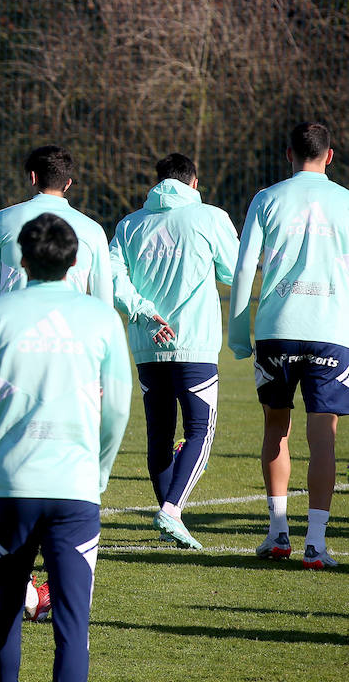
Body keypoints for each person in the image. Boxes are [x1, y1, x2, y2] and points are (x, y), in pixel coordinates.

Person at [0, 214, 131, 682]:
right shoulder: (101, 316)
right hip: (75, 489)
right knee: (72, 628)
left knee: (5, 620)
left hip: (7, 487)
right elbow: (118, 407)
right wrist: (97, 473)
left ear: (21, 258)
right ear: (76, 261)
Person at [229, 122, 349, 569]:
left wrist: (239, 336)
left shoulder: (266, 198)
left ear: (288, 154)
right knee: (324, 437)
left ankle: (278, 534)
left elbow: (245, 269)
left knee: (275, 427)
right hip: (331, 329)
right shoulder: (346, 202)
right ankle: (315, 545)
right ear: (330, 156)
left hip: (277, 328)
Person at [110, 153, 238, 550]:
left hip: (148, 345)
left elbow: (113, 278)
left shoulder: (130, 224)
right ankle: (172, 510)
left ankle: (170, 513)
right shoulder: (210, 218)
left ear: (157, 182)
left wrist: (145, 312)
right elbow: (235, 273)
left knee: (160, 436)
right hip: (194, 343)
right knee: (200, 430)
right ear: (193, 184)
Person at [0, 146, 112, 301]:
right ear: (68, 184)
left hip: (15, 322)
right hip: (71, 323)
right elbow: (104, 299)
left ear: (33, 177)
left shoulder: (1, 220)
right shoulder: (94, 230)